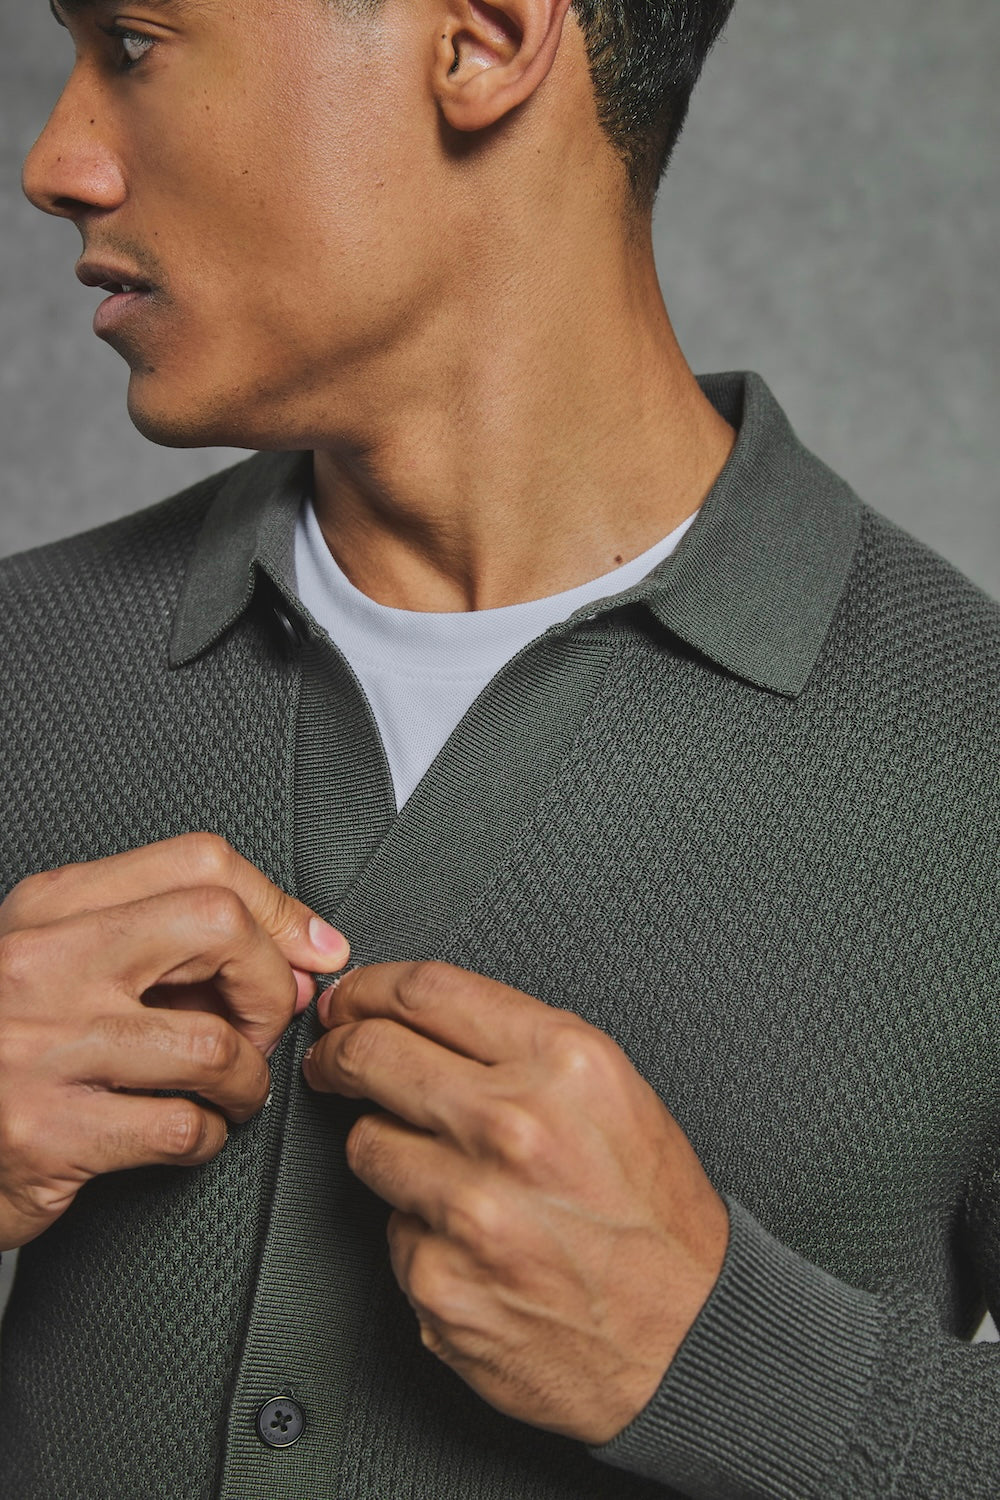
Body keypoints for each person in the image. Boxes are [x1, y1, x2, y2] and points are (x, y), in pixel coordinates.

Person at [0, 0, 997, 1493]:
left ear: (480, 39)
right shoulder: (20, 663)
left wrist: (734, 1363)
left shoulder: (971, 753)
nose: (55, 161)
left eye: (133, 42)